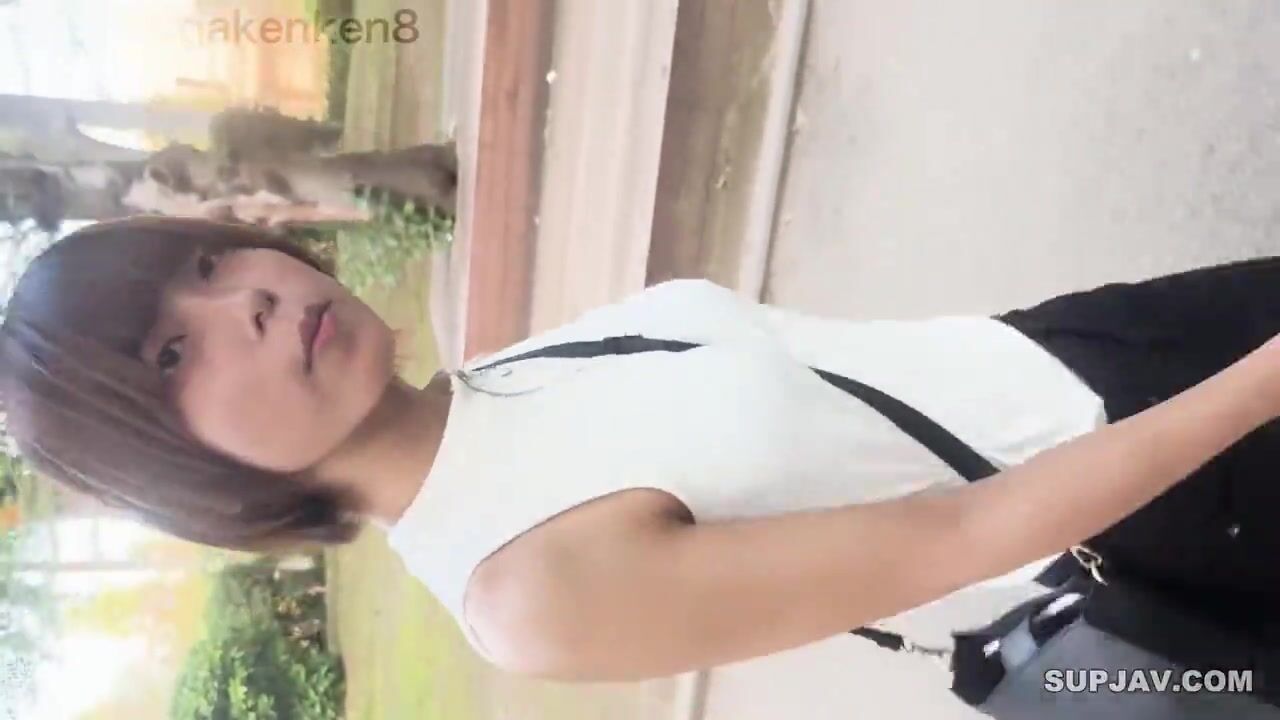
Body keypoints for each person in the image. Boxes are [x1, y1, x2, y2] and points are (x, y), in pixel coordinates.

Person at [2, 214, 1278, 684]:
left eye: (206, 261)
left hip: (1094, 349)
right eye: (171, 354)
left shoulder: (483, 385)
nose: (246, 299)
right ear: (183, 473)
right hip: (1172, 485)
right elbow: (960, 531)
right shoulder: (524, 592)